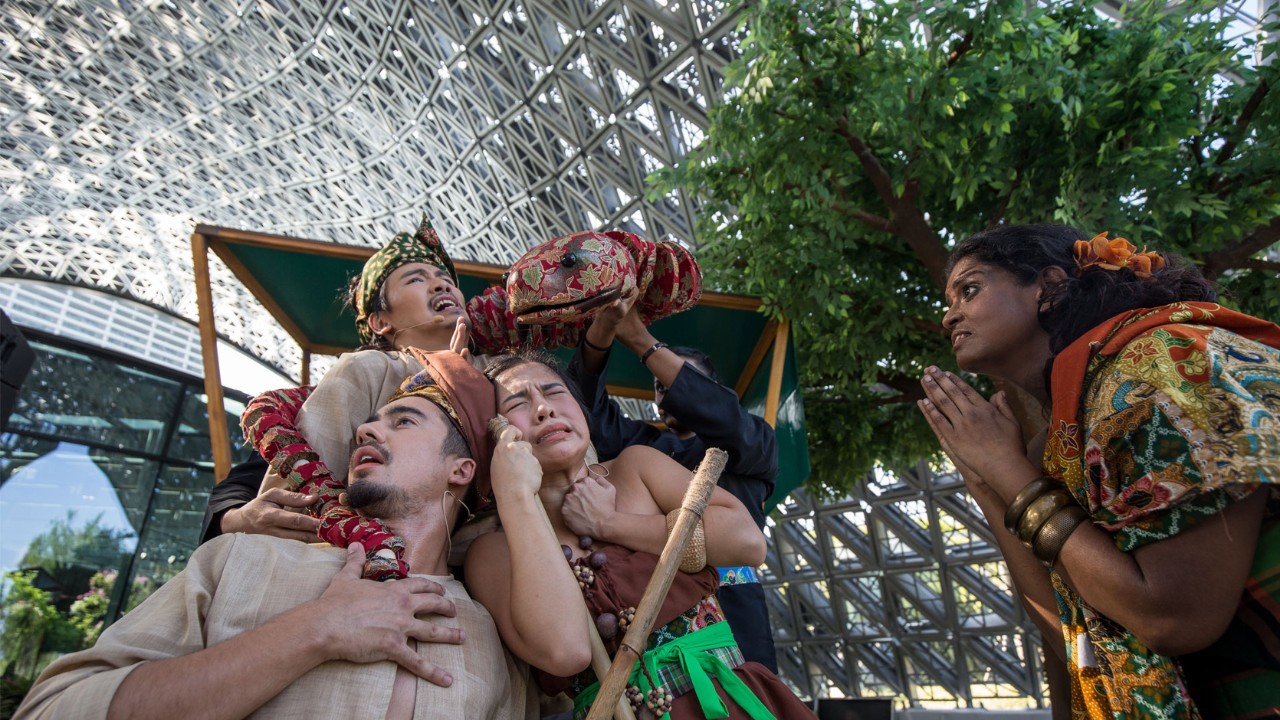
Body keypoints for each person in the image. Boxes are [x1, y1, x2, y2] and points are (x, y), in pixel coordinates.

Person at [15, 352, 553, 720]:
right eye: (369, 422)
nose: (367, 430)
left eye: (404, 422)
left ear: (461, 470)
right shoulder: (239, 563)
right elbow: (53, 708)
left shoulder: (495, 631)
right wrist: (314, 630)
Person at [917, 223, 1280, 718]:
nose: (948, 315)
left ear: (1047, 286)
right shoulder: (1071, 423)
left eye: (970, 289)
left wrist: (1010, 472)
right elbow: (1082, 629)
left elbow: (1173, 619)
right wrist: (988, 483)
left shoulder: (1164, 364)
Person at [467, 352, 816, 719]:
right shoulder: (493, 551)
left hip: (732, 704)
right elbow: (565, 652)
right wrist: (515, 495)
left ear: (581, 411)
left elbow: (747, 542)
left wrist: (609, 523)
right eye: (518, 403)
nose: (543, 409)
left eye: (554, 392)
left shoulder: (636, 467)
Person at [200, 214, 475, 544]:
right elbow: (254, 489)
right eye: (415, 279)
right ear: (378, 321)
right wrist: (235, 518)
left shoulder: (502, 376)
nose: (442, 284)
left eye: (446, 279)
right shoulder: (360, 374)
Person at [567, 292, 780, 672]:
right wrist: (602, 332)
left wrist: (642, 341)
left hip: (735, 604)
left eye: (678, 378)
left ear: (712, 390)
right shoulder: (644, 447)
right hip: (658, 613)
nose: (667, 389)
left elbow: (722, 417)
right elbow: (586, 411)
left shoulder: (752, 442)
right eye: (659, 384)